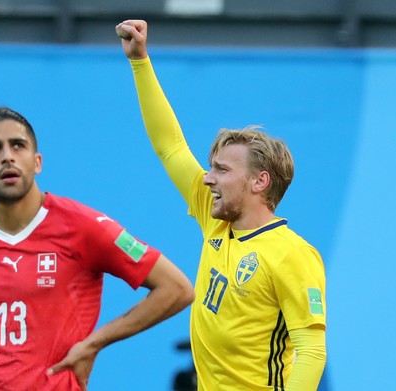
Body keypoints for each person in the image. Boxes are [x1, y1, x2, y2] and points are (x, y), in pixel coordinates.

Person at [0, 106, 195, 391]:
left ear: (37, 162)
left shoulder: (85, 226)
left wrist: (95, 343)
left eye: (18, 145)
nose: (8, 157)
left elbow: (177, 289)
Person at [116, 19, 327, 391]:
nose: (207, 178)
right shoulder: (216, 221)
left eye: (222, 170)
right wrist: (139, 61)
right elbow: (171, 148)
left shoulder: (293, 254)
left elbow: (311, 349)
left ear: (259, 182)